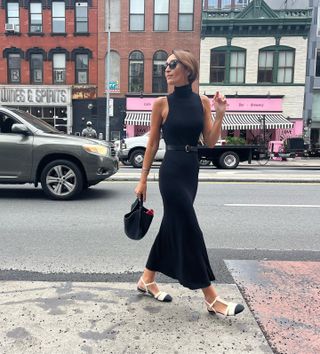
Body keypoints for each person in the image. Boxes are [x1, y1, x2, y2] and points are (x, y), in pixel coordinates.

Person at [134, 49, 244, 317]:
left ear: (188, 69)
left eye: (172, 64)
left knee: (173, 225)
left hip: (190, 170)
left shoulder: (202, 102)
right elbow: (151, 143)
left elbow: (209, 142)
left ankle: (146, 279)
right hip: (170, 171)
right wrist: (143, 178)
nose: (166, 68)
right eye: (165, 65)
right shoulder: (161, 103)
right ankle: (211, 297)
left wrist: (220, 113)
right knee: (190, 228)